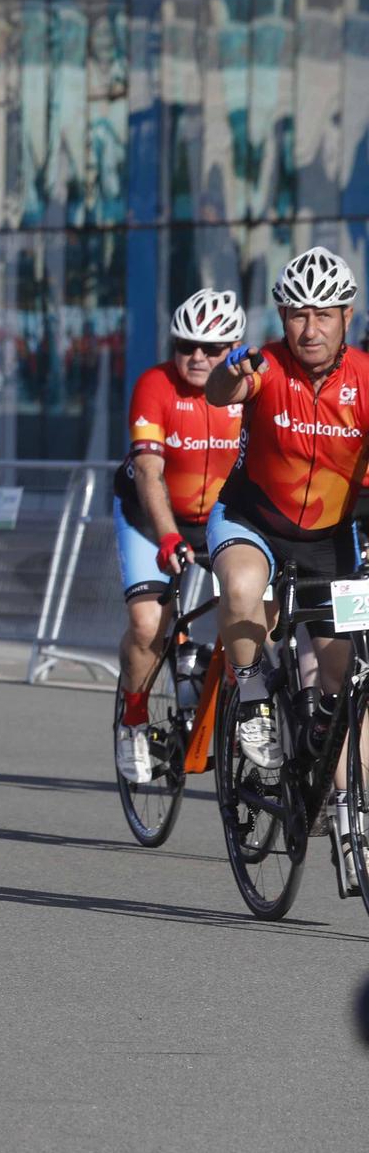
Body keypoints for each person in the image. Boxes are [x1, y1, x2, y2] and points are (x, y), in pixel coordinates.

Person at [204, 246, 366, 791]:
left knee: (341, 676)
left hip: (328, 537)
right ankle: (250, 695)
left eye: (324, 315)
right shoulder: (266, 366)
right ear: (282, 318)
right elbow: (224, 390)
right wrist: (229, 374)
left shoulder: (365, 380)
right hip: (253, 518)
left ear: (348, 316)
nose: (310, 329)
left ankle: (320, 736)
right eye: (298, 314)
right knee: (245, 586)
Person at [111, 289, 246, 783]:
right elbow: (149, 471)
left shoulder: (247, 389)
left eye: (211, 349)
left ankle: (240, 711)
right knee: (149, 624)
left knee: (258, 618)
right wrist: (168, 537)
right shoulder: (155, 384)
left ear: (233, 346)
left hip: (221, 518)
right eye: (186, 345)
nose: (196, 357)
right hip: (151, 515)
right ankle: (134, 719)